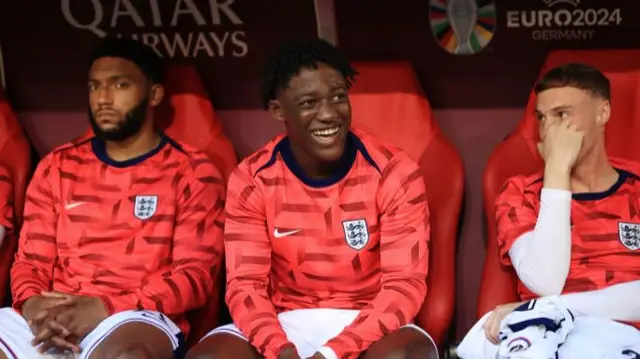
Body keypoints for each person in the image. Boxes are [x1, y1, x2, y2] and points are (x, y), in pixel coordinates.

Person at [186, 39, 437, 359]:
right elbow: (245, 286)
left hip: (370, 323)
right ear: (279, 111)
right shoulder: (252, 178)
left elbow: (404, 287)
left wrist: (332, 353)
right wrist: (280, 350)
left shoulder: (394, 172)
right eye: (308, 103)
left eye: (338, 98)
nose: (329, 114)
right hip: (284, 321)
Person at [0, 38, 225, 359]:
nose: (103, 98)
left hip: (132, 316)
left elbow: (194, 278)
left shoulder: (191, 170)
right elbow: (30, 262)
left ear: (154, 94)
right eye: (94, 87)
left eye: (120, 85)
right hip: (51, 313)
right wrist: (32, 303)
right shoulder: (57, 166)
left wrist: (105, 307)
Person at [480, 63, 640, 356]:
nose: (549, 130)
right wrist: (557, 171)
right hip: (543, 339)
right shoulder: (520, 193)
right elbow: (544, 281)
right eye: (542, 118)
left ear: (602, 113)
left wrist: (548, 307)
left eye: (562, 115)